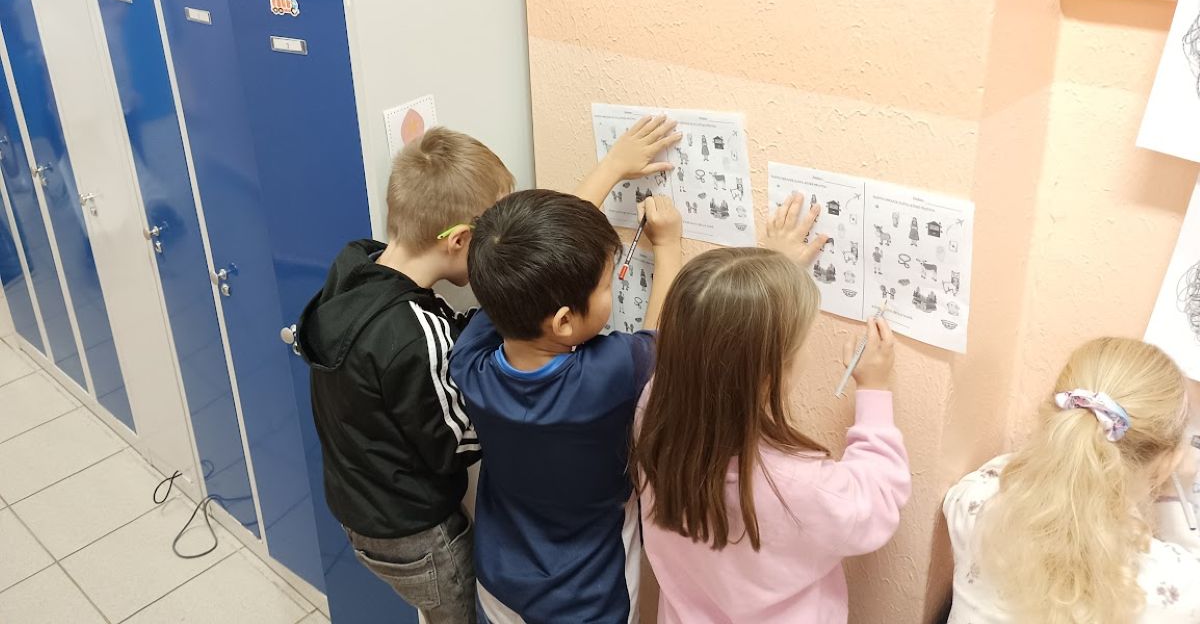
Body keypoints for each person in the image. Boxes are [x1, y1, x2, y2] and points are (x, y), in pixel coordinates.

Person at [633, 193, 911, 624]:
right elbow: (875, 503)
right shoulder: (796, 483)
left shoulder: (652, 415)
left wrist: (771, 277)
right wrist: (874, 391)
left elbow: (718, 336)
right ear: (768, 377)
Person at [295, 128, 514, 623]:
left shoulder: (354, 267)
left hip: (361, 513)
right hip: (419, 536)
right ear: (460, 241)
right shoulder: (416, 335)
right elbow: (457, 442)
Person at [449, 180, 683, 623]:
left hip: (499, 587)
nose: (610, 291)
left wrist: (609, 172)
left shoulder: (470, 362)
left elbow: (519, 272)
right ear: (563, 321)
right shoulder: (608, 373)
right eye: (606, 285)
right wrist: (668, 246)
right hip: (587, 599)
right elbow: (661, 338)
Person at [944, 337, 1200, 624]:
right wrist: (1172, 493)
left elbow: (986, 480)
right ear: (1166, 463)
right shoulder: (1172, 584)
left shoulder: (975, 501)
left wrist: (1057, 449)